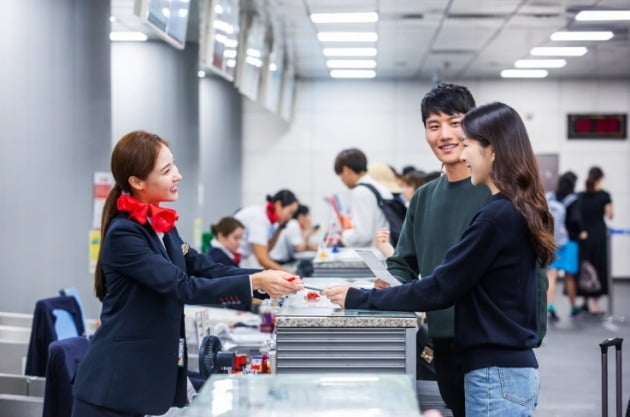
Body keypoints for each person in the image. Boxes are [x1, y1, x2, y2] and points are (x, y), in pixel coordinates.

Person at [324, 102, 554, 417]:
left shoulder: (494, 217)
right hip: (502, 369)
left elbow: (442, 287)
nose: (463, 154)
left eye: (469, 145)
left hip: (495, 372)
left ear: (493, 151)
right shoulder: (512, 209)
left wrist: (359, 297)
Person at [71, 131, 303, 417]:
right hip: (114, 387)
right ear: (137, 182)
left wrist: (267, 279)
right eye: (167, 171)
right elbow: (182, 286)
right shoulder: (125, 234)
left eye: (175, 166)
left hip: (142, 381)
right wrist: (253, 282)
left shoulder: (161, 224)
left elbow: (206, 267)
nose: (178, 175)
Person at [366, 83, 492, 417]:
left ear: (474, 125)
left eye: (455, 122)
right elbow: (403, 262)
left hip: (491, 347)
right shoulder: (423, 197)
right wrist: (389, 281)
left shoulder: (496, 193)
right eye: (434, 126)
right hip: (443, 342)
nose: (445, 134)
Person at [545, 172, 586, 321]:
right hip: (569, 242)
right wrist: (581, 232)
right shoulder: (573, 200)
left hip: (552, 240)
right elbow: (575, 220)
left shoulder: (551, 197)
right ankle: (573, 307)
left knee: (552, 276)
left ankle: (550, 307)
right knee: (569, 277)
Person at [334, 148, 393, 247]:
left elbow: (362, 235)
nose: (342, 180)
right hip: (385, 250)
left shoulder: (361, 191)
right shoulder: (379, 188)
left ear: (346, 170)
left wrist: (343, 237)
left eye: (341, 176)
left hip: (372, 255)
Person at [234, 189, 299, 271]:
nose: (290, 217)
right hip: (227, 258)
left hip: (241, 259)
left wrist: (280, 228)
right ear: (278, 205)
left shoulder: (269, 220)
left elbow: (267, 250)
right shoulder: (259, 218)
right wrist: (289, 274)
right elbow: (262, 259)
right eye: (290, 212)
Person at [578, 166, 614, 314]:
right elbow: (610, 215)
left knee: (585, 267)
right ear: (601, 179)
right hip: (599, 235)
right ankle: (594, 305)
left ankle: (585, 301)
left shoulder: (580, 195)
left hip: (584, 236)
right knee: (598, 267)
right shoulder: (604, 195)